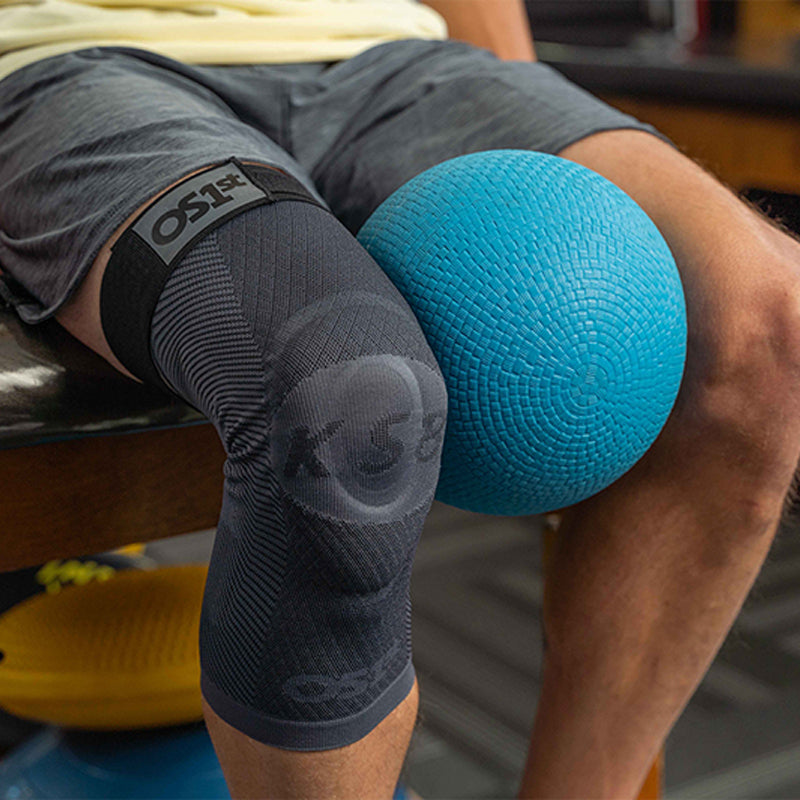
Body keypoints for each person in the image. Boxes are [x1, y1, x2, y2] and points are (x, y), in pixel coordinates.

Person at [2, 1, 800, 798]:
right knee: (341, 394)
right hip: (73, 62)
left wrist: (525, 95)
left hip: (388, 59)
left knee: (767, 325)